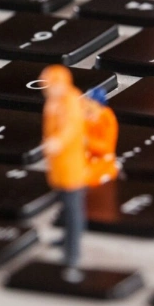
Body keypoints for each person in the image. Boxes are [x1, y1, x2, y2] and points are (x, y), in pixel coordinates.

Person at [40, 65, 88, 269]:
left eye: (50, 84)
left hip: (70, 167)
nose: (46, 88)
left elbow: (72, 127)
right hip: (58, 166)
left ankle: (73, 252)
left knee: (73, 209)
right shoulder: (54, 101)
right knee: (63, 209)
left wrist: (58, 141)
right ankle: (65, 239)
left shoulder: (71, 102)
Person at [84, 87, 120, 187]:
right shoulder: (87, 117)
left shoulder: (107, 119)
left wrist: (88, 143)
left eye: (90, 103)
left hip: (102, 162)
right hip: (88, 157)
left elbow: (106, 147)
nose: (87, 106)